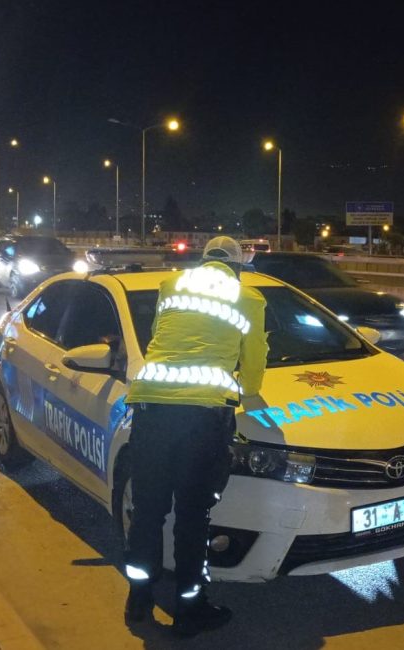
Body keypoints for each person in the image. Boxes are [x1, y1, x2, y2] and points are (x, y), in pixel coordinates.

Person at [123, 236, 268, 636]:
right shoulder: (248, 298)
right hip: (202, 417)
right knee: (192, 515)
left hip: (150, 407)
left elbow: (159, 338)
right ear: (237, 267)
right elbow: (254, 366)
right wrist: (246, 386)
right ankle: (189, 610)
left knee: (148, 510)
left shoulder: (171, 286)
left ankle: (138, 598)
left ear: (204, 261)